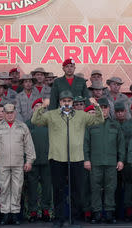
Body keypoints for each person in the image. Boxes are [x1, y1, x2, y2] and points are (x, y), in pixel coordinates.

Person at [31, 91, 103, 226]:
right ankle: (59, 219)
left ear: (72, 102)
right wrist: (42, 107)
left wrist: (96, 106)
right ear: (59, 102)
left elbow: (99, 120)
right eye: (64, 100)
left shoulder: (81, 115)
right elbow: (35, 120)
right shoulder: (52, 115)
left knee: (76, 191)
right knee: (58, 190)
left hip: (76, 158)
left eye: (69, 101)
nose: (66, 103)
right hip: (57, 158)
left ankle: (73, 219)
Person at [0, 103, 35, 226]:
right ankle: (5, 214)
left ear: (15, 113)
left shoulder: (22, 127)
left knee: (17, 189)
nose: (9, 115)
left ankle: (14, 214)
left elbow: (29, 146)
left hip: (18, 164)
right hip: (2, 164)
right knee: (4, 189)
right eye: (6, 113)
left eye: (11, 112)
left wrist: (29, 161)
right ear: (3, 114)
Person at [83, 97, 125, 224]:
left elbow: (121, 144)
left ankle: (109, 213)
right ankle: (96, 213)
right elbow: (86, 144)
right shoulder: (91, 124)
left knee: (111, 188)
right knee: (95, 188)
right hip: (95, 163)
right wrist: (86, 160)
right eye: (100, 108)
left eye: (105, 107)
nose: (103, 110)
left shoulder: (115, 125)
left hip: (111, 163)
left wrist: (121, 160)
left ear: (108, 109)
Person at [25, 98, 52, 223]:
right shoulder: (27, 124)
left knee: (47, 188)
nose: (39, 109)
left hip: (47, 161)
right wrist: (26, 160)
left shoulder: (50, 124)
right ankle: (33, 211)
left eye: (42, 107)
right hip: (33, 162)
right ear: (32, 109)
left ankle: (46, 211)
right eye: (37, 107)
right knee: (32, 188)